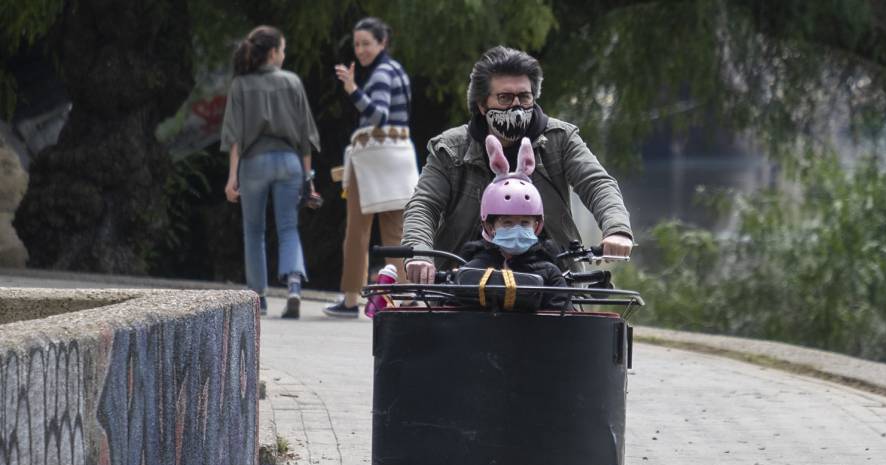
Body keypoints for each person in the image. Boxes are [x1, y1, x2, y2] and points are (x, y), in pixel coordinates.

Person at [402, 46, 633, 285]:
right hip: (462, 276)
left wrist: (617, 230)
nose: (516, 106)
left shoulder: (560, 139)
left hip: (553, 278)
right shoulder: (448, 148)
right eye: (504, 98)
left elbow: (597, 184)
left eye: (524, 97)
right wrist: (420, 253)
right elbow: (424, 205)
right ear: (482, 105)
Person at [221, 25, 319, 318]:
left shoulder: (240, 85)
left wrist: (232, 177)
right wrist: (308, 179)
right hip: (289, 162)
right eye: (284, 49)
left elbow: (234, 136)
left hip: (253, 164)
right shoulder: (292, 82)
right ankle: (292, 285)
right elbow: (306, 137)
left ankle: (258, 297)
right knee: (288, 227)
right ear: (274, 52)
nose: (284, 54)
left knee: (254, 231)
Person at [325, 17, 417, 318]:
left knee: (357, 232)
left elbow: (378, 115)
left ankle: (351, 299)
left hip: (373, 158)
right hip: (399, 158)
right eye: (357, 44)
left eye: (366, 43)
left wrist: (352, 88)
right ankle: (406, 297)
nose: (361, 49)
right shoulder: (397, 70)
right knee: (397, 232)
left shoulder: (379, 74)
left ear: (382, 42)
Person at [459, 135, 568, 308]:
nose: (517, 229)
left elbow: (565, 319)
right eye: (507, 223)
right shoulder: (472, 269)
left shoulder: (549, 272)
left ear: (537, 226)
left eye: (525, 223)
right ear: (489, 226)